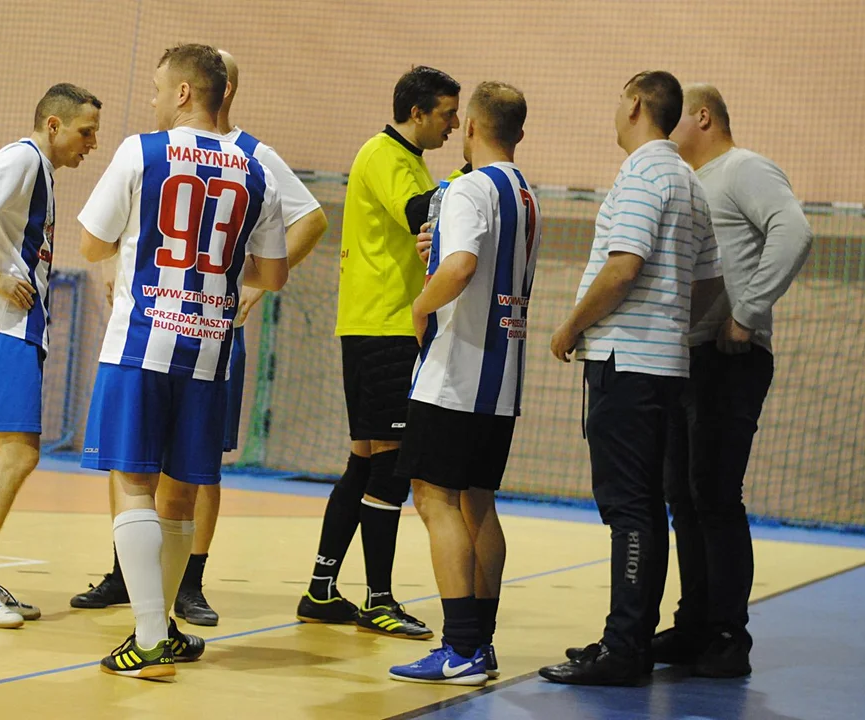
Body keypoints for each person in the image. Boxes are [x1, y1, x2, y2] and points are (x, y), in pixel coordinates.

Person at [69, 49, 328, 628]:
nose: (154, 98)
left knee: (134, 484)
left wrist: (138, 242)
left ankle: (150, 633)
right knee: (182, 495)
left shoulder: (142, 150)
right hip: (211, 349)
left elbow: (90, 244)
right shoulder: (254, 166)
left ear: (184, 92)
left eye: (159, 87)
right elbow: (275, 274)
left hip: (142, 342)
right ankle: (166, 622)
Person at [538, 71, 725, 686]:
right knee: (645, 507)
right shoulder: (689, 181)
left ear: (638, 104)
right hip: (662, 363)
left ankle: (624, 652)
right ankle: (629, 641)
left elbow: (623, 268)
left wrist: (569, 329)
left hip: (628, 363)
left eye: (620, 99)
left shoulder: (645, 173)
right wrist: (670, 326)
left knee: (630, 510)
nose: (615, 110)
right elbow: (708, 284)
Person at [650, 84, 813, 678]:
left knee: (715, 496)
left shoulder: (745, 168)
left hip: (730, 359)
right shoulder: (694, 182)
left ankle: (727, 636)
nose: (668, 132)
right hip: (688, 359)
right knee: (684, 498)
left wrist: (746, 315)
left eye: (678, 121)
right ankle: (694, 625)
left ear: (703, 115)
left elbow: (794, 232)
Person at [295, 65, 461, 640]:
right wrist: (476, 176)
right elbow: (423, 218)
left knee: (365, 460)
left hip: (370, 327)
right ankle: (380, 599)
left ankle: (321, 590)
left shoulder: (406, 161)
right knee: (389, 464)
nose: (454, 124)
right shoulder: (388, 155)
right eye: (446, 113)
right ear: (417, 112)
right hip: (386, 328)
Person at [387, 81, 538, 686]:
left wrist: (420, 307)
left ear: (471, 126)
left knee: (433, 498)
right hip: (501, 379)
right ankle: (482, 643)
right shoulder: (524, 192)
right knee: (478, 501)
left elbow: (461, 266)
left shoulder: (468, 187)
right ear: (517, 131)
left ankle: (460, 647)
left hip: (455, 374)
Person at [0, 83, 101, 629]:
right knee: (21, 453)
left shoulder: (40, 170)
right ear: (54, 125)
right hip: (5, 323)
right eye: (86, 131)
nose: (92, 143)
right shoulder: (25, 157)